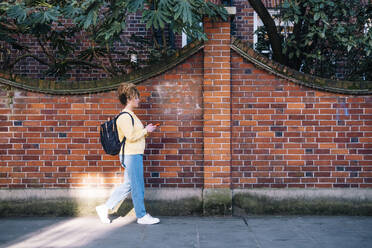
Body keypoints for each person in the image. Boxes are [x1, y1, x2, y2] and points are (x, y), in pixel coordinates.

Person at [96, 83, 160, 225]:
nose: (138, 100)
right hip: (131, 155)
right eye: (136, 97)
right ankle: (142, 216)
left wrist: (146, 130)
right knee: (138, 185)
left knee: (129, 185)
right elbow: (131, 136)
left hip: (134, 154)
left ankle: (104, 208)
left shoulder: (131, 115)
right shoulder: (124, 116)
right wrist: (146, 130)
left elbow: (134, 135)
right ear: (129, 98)